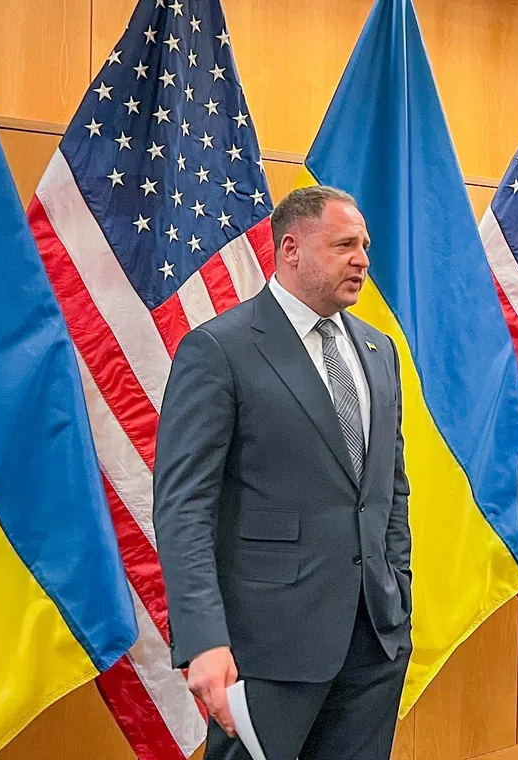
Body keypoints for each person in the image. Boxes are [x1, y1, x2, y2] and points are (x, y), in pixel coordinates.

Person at [153, 185, 412, 759]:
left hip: (374, 639)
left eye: (365, 245)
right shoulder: (219, 348)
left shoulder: (378, 350)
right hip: (264, 646)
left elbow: (389, 489)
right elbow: (183, 507)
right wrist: (202, 639)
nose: (363, 259)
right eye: (345, 244)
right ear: (290, 249)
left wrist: (400, 593)